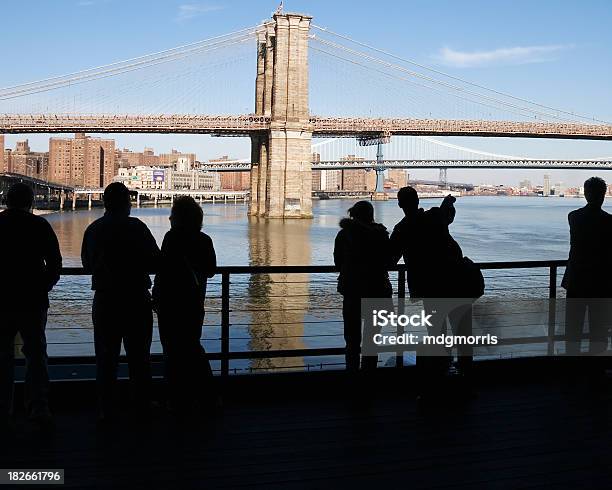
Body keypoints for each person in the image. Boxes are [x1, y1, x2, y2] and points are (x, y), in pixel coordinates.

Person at [81, 183, 160, 422]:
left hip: (106, 299)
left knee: (106, 359)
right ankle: (142, 405)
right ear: (127, 203)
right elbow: (155, 262)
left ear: (105, 202)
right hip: (136, 298)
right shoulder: (137, 228)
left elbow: (86, 264)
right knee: (139, 358)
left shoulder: (94, 229)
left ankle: (106, 409)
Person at [390, 187, 475, 393]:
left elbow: (390, 259)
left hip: (429, 286)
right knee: (463, 333)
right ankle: (466, 381)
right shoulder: (435, 216)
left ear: (400, 204)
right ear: (418, 200)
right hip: (456, 281)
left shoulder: (402, 229)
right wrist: (448, 203)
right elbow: (448, 215)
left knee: (437, 333)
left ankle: (440, 380)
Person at [0, 183, 62, 430]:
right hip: (32, 301)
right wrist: (43, 286)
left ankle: (3, 410)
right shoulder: (39, 226)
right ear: (30, 202)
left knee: (2, 356)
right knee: (36, 355)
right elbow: (55, 263)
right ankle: (38, 407)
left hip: (2, 300)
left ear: (7, 200)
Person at [152, 196, 217, 413]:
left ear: (178, 218)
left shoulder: (172, 238)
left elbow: (163, 270)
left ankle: (177, 399)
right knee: (193, 348)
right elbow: (211, 270)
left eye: (173, 214)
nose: (169, 218)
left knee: (172, 351)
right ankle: (205, 397)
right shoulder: (205, 240)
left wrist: (156, 296)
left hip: (171, 304)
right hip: (195, 303)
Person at [333, 201, 393, 372]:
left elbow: (338, 263)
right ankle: (369, 380)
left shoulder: (344, 235)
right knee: (372, 340)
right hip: (377, 290)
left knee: (352, 341)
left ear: (354, 215)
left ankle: (352, 378)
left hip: (352, 291)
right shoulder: (381, 235)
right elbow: (388, 261)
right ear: (371, 215)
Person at [562, 177, 612, 357]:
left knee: (573, 329)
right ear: (603, 195)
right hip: (601, 283)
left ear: (585, 194)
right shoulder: (609, 222)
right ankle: (596, 371)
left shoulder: (573, 217)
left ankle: (572, 368)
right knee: (599, 332)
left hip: (576, 280)